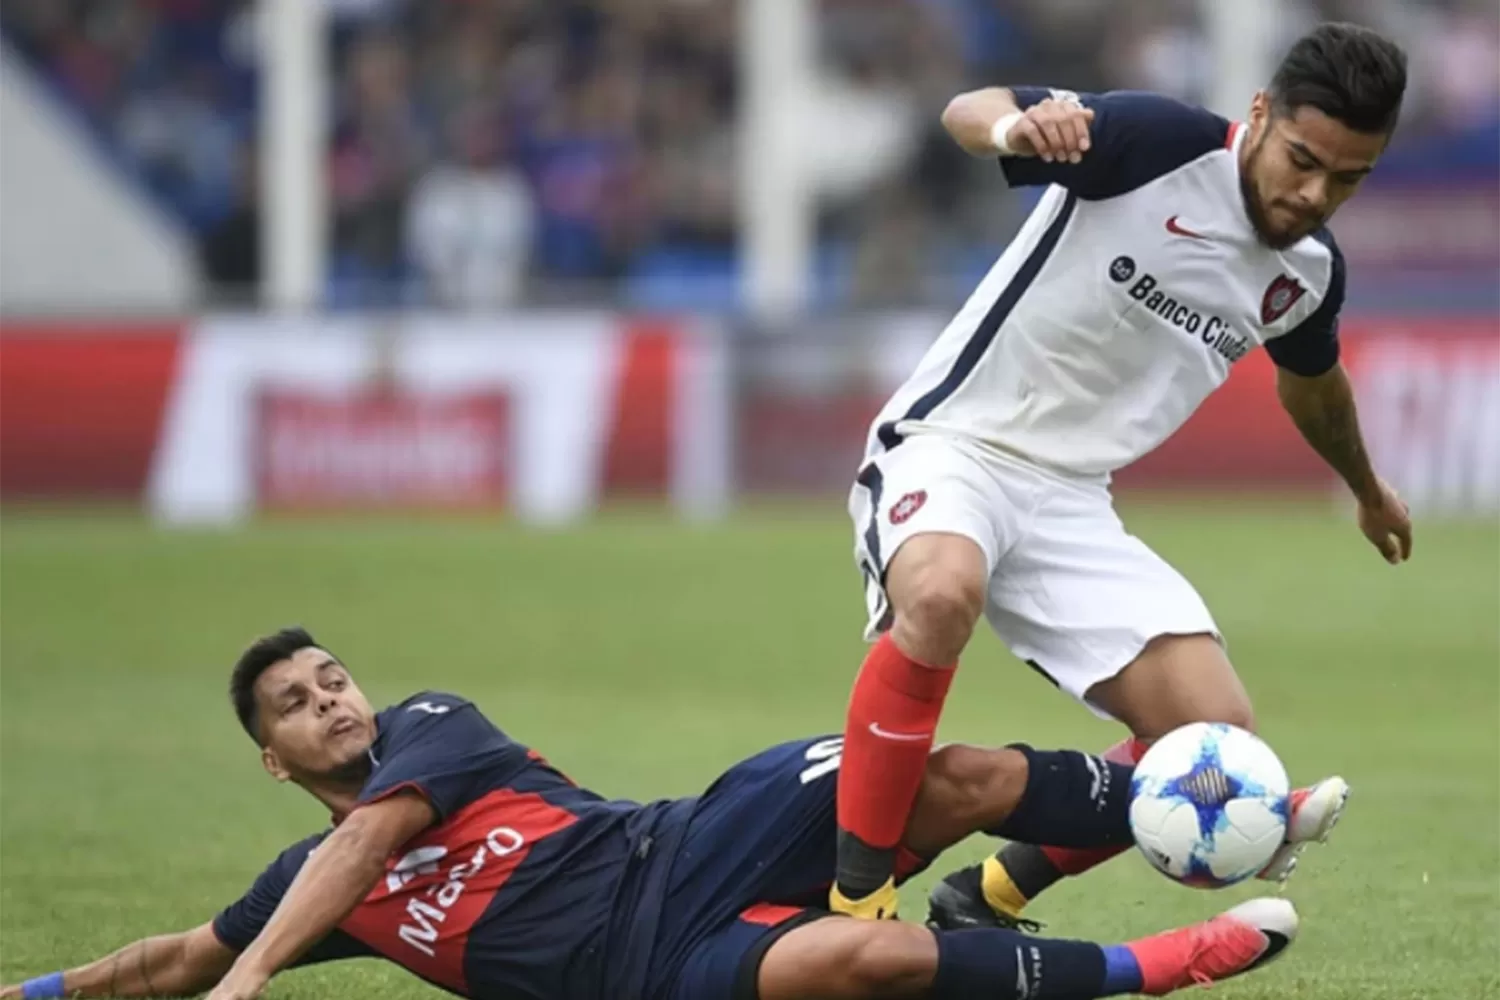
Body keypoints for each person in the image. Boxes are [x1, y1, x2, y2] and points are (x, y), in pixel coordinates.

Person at [829, 20, 1408, 926]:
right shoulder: (1156, 143)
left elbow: (1313, 385)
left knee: (1214, 736)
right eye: (1302, 158)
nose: (1312, 193)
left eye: (1347, 179)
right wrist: (1017, 132)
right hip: (954, 446)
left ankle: (984, 896)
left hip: (1070, 502)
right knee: (941, 597)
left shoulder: (1306, 274)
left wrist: (1367, 490)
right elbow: (966, 109)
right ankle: (854, 905)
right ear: (1260, 114)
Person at [4, 627, 1302, 1000]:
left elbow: (366, 842)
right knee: (880, 958)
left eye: (332, 677)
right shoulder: (315, 886)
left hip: (689, 838)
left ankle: (1203, 800)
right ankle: (1159, 967)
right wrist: (43, 992)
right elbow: (179, 957)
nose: (331, 702)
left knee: (940, 775)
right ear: (274, 759)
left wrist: (252, 987)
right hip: (661, 968)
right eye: (294, 705)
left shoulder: (431, 731)